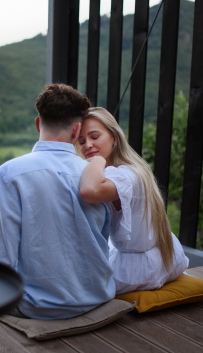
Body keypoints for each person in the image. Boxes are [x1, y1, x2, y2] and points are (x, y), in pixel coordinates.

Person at [0, 84, 115, 320]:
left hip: (39, 308)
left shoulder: (9, 175)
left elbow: (1, 258)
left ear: (38, 123)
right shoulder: (98, 177)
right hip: (99, 297)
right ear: (77, 131)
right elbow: (103, 240)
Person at [77, 107, 188, 294]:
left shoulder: (124, 175)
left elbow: (89, 191)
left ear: (114, 137)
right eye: (81, 141)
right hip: (166, 256)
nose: (87, 145)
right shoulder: (133, 168)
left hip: (138, 270)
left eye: (94, 137)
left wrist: (96, 161)